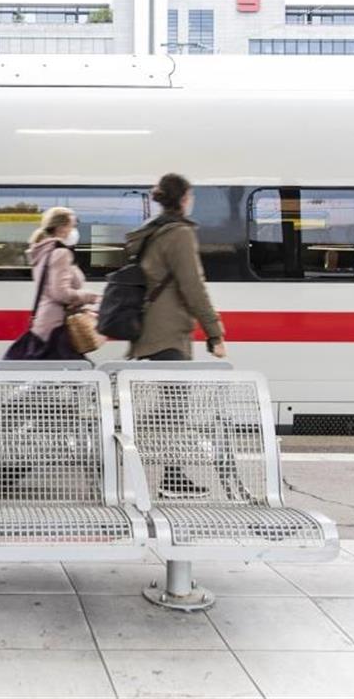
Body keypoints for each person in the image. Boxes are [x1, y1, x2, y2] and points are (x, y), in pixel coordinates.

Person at [125, 173, 227, 498]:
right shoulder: (179, 234)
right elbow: (193, 286)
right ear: (183, 198)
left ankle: (157, 469)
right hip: (169, 334)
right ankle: (169, 476)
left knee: (167, 407)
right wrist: (215, 332)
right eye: (190, 196)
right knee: (175, 408)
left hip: (148, 330)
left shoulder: (151, 233)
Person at [25, 206, 100, 358]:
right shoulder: (61, 252)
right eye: (72, 225)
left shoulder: (44, 250)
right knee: (75, 375)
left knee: (55, 376)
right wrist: (91, 297)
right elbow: (61, 293)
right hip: (58, 324)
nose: (74, 230)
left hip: (47, 322)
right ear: (61, 228)